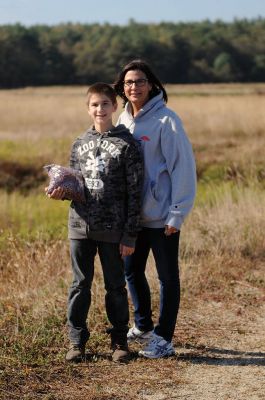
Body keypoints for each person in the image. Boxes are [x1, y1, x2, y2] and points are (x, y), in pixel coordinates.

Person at [46, 82, 143, 363]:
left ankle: (119, 342)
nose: (99, 109)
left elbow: (135, 193)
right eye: (94, 105)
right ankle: (77, 342)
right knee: (79, 285)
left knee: (115, 286)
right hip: (79, 225)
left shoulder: (128, 144)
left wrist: (130, 234)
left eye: (104, 104)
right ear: (88, 109)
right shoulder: (78, 143)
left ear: (114, 106)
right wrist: (61, 192)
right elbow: (76, 186)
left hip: (113, 229)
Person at [114, 60, 197, 359]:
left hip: (162, 217)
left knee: (167, 277)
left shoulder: (167, 120)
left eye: (139, 81)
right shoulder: (122, 123)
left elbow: (182, 168)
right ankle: (143, 326)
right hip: (133, 218)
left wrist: (177, 213)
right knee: (132, 273)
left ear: (151, 85)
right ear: (122, 89)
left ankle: (164, 338)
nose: (133, 87)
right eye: (128, 83)